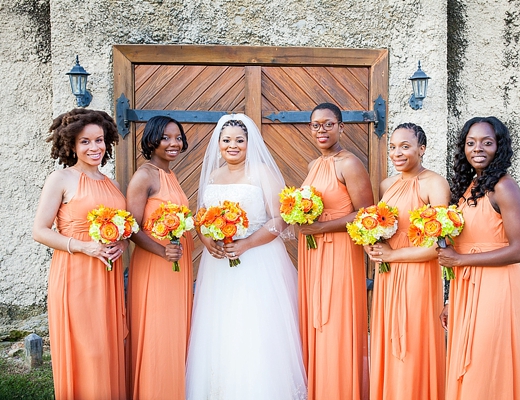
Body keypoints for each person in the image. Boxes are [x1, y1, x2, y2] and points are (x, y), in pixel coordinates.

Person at [186, 114, 307, 399]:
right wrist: (207, 241)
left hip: (258, 260)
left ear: (249, 144)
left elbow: (280, 220)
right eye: (226, 140)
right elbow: (201, 218)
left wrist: (247, 244)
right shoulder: (214, 176)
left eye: (239, 140)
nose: (233, 145)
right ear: (218, 144)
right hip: (218, 265)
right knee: (220, 325)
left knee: (254, 325)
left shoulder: (261, 172)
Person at [32, 109, 128, 400]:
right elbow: (40, 231)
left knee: (109, 345)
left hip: (107, 274)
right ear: (71, 144)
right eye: (85, 142)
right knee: (89, 348)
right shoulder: (60, 179)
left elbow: (121, 228)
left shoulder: (110, 182)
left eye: (99, 140)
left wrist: (121, 244)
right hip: (75, 274)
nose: (94, 148)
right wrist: (83, 246)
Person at [438, 116, 520, 399]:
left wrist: (460, 261)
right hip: (465, 287)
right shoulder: (468, 188)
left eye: (486, 142)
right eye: (471, 143)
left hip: (497, 287)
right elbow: (463, 245)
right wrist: (449, 300)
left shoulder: (504, 187)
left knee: (486, 361)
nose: (477, 148)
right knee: (466, 362)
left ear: (499, 147)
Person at [365, 123, 449, 399]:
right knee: (388, 337)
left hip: (418, 274)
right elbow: (381, 226)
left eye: (405, 146)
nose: (396, 153)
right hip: (388, 275)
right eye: (392, 147)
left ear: (421, 149)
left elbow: (440, 247)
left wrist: (392, 255)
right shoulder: (387, 185)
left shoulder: (435, 184)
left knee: (412, 339)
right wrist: (371, 244)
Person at [298, 103, 372, 400]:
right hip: (313, 254)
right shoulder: (312, 166)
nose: (322, 130)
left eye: (329, 124)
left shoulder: (349, 163)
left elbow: (366, 213)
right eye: (316, 125)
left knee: (335, 319)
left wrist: (320, 229)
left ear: (341, 127)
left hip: (340, 251)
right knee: (316, 318)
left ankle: (340, 389)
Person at [126, 116, 193, 399]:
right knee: (158, 330)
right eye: (166, 137)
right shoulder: (145, 176)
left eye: (177, 137)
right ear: (152, 140)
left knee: (175, 330)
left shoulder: (170, 174)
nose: (173, 143)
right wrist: (161, 250)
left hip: (177, 262)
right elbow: (132, 227)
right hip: (156, 263)